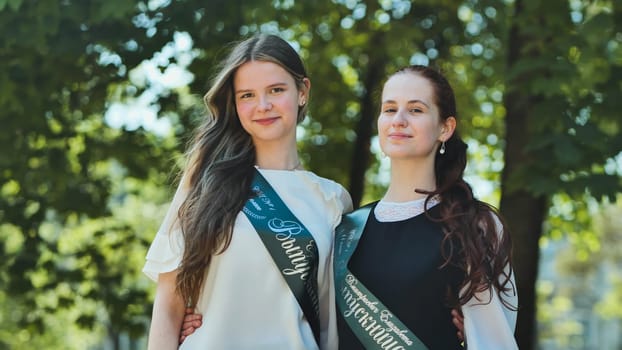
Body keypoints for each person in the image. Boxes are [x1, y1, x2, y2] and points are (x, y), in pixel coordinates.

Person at [143, 33, 352, 350]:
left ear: (302, 92)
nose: (263, 106)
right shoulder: (204, 181)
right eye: (247, 96)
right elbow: (168, 303)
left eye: (276, 90)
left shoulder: (333, 199)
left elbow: (334, 322)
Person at [333, 65, 518, 349]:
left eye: (416, 110)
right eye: (389, 109)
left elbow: (494, 342)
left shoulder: (473, 224)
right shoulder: (346, 228)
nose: (399, 120)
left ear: (445, 128)